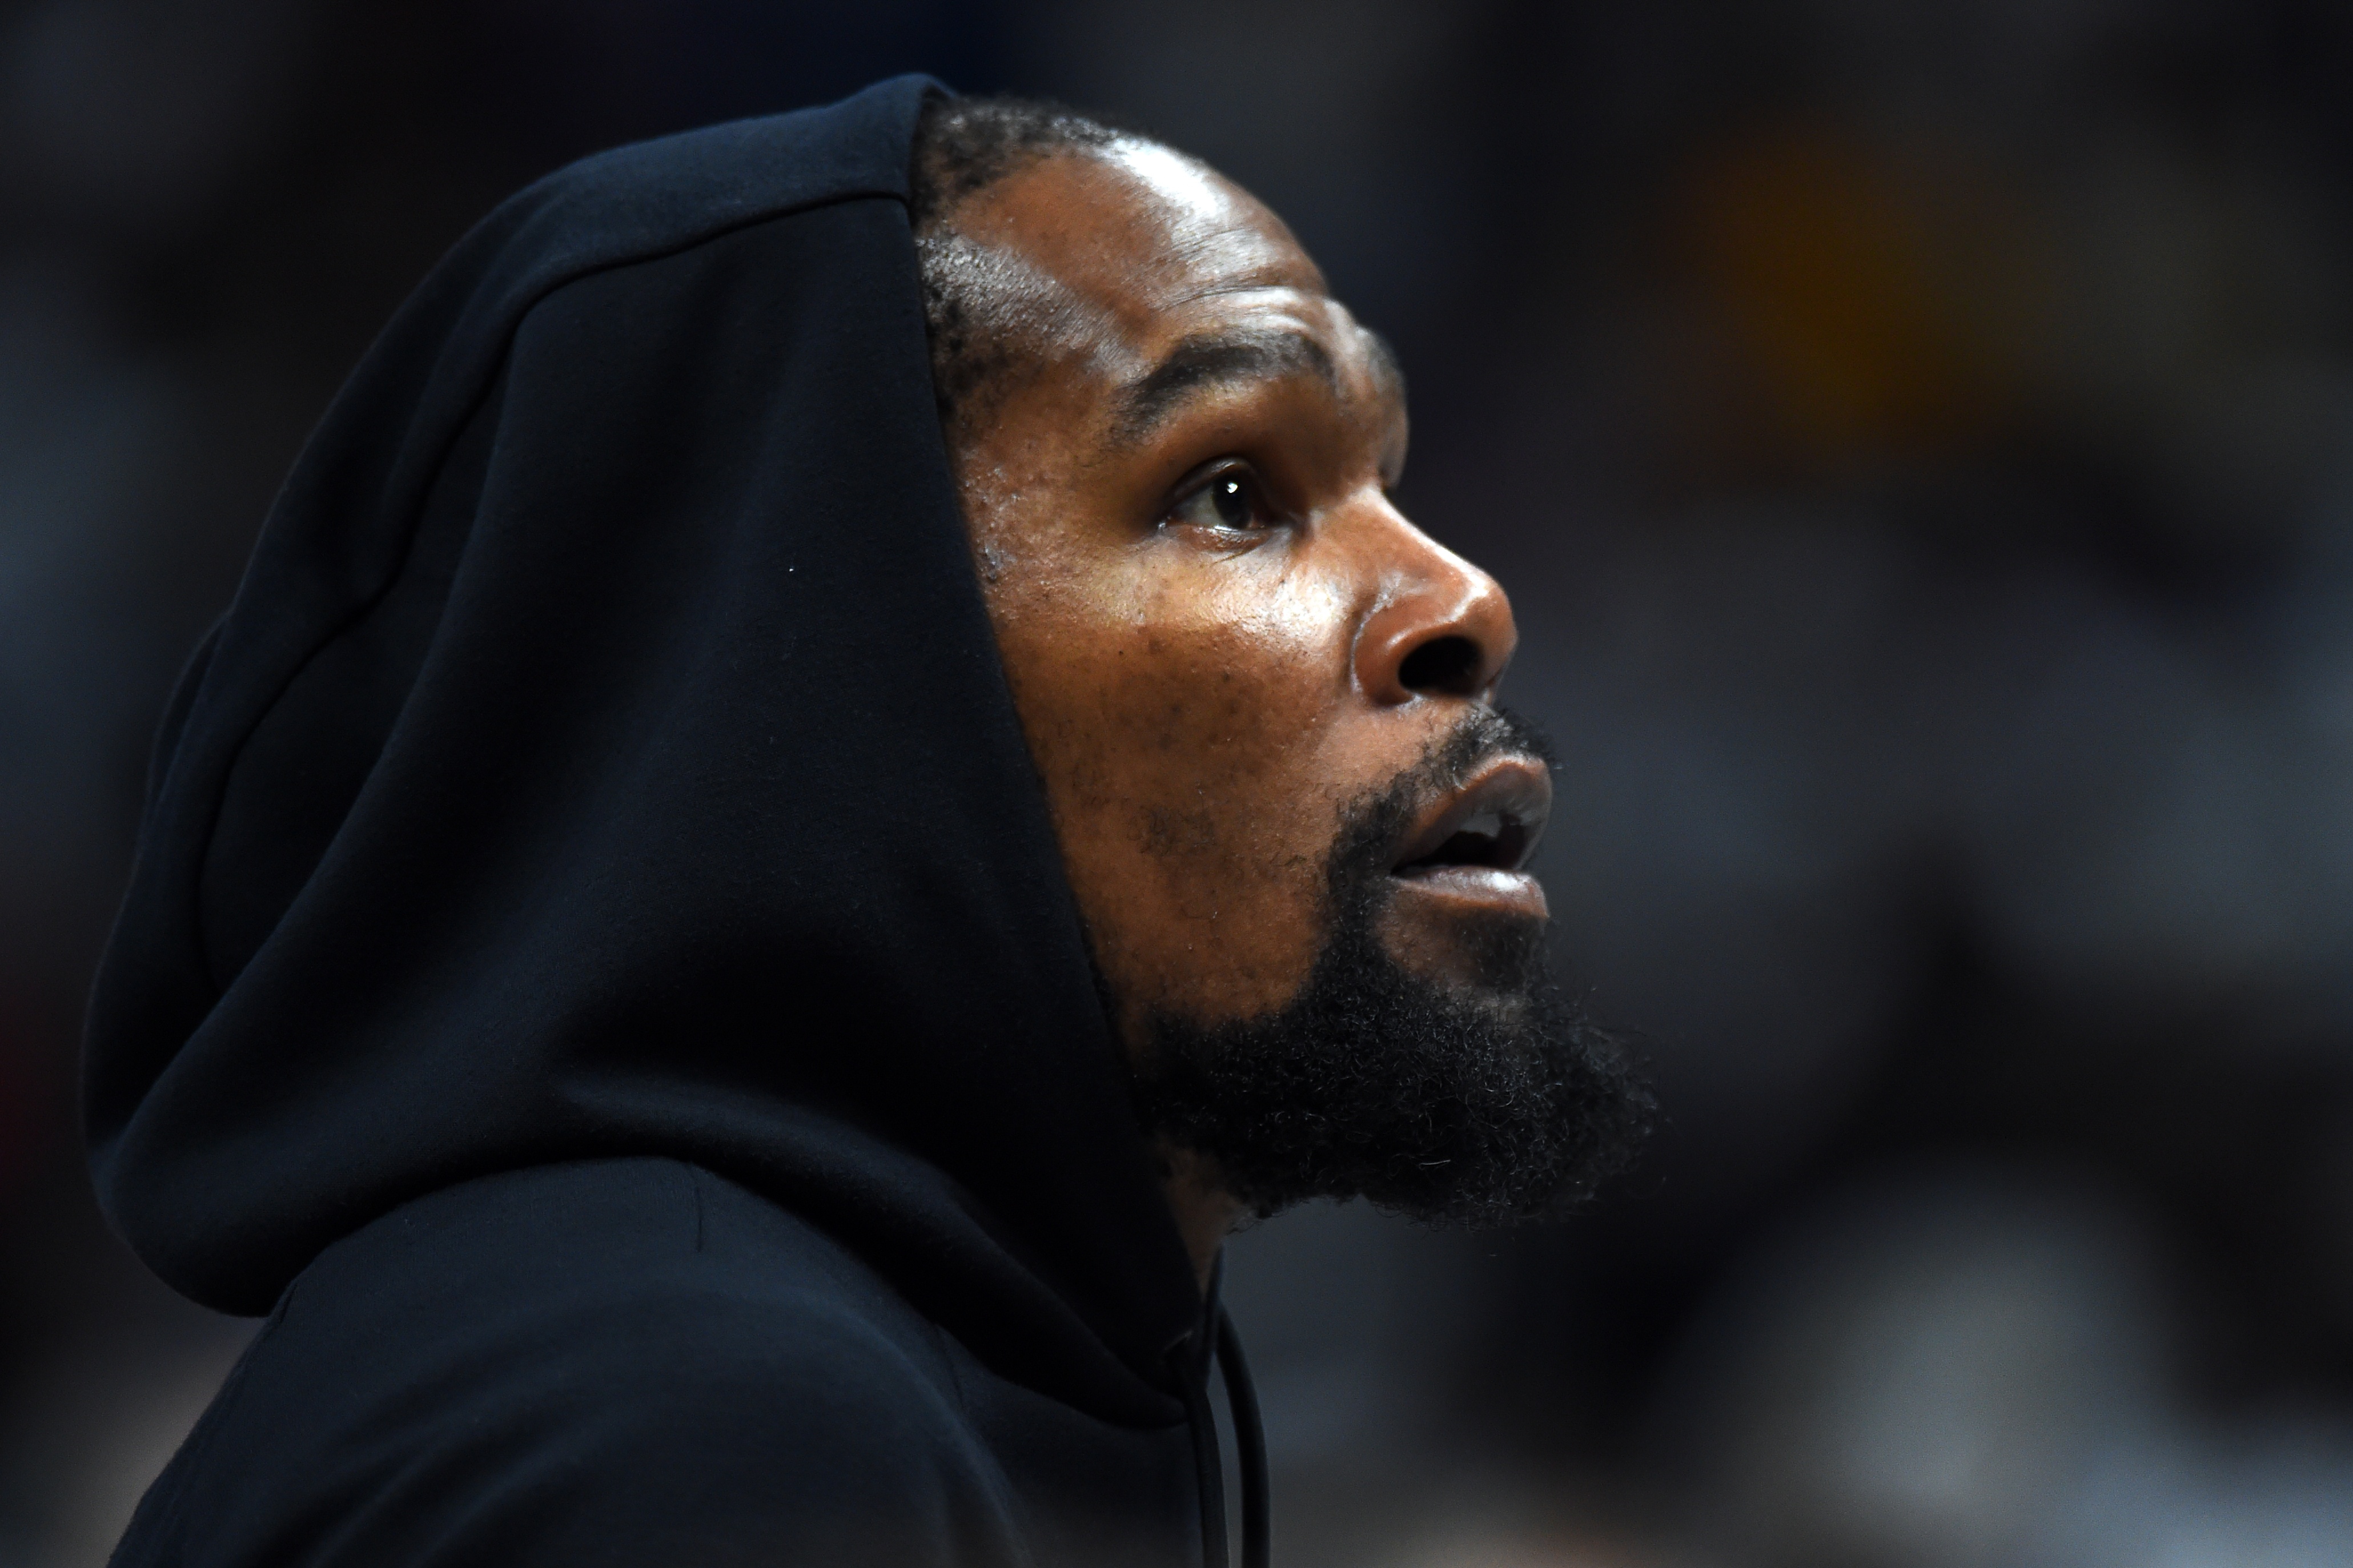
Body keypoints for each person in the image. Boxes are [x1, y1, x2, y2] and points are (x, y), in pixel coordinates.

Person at [84, 76, 1649, 1568]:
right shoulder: (690, 1425)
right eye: (1233, 492)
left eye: (1386, 476)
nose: (1464, 598)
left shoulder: (834, 1346)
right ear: (839, 662)